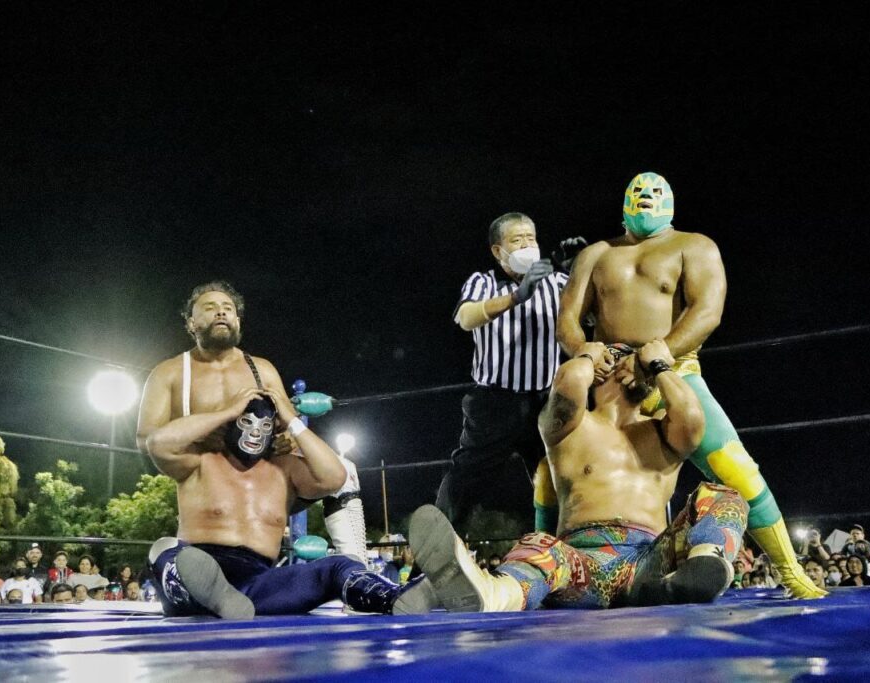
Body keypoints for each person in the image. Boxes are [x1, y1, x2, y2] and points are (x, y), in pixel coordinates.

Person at [554, 171, 825, 599]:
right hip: (609, 380)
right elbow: (567, 317)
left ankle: (791, 571)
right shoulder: (596, 254)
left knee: (734, 466)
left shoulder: (693, 246)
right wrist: (583, 349)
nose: (646, 196)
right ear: (624, 201)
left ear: (670, 200)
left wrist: (660, 354)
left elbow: (707, 311)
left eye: (655, 191)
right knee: (554, 470)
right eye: (638, 191)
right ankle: (556, 565)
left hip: (673, 372)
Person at [136, 281, 425, 618]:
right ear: (191, 322)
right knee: (167, 551)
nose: (221, 313)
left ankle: (392, 596)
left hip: (257, 576)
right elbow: (151, 441)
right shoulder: (171, 374)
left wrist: (290, 427)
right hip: (199, 495)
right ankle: (209, 592)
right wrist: (222, 417)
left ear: (239, 321)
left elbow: (313, 455)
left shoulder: (262, 370)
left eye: (228, 308)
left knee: (340, 543)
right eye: (210, 308)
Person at [401, 341, 748, 612]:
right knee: (541, 547)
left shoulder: (662, 432)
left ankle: (702, 569)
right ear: (600, 370)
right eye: (622, 354)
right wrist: (587, 354)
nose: (634, 360)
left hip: (649, 563)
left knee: (723, 496)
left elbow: (693, 417)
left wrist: (659, 364)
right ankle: (492, 593)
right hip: (582, 564)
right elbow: (567, 383)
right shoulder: (570, 429)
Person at [437, 212, 585, 534]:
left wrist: (580, 269)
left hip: (544, 401)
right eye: (516, 240)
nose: (526, 245)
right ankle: (441, 544)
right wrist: (517, 296)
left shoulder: (557, 283)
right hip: (494, 402)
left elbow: (592, 312)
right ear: (497, 250)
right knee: (465, 477)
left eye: (531, 238)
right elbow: (466, 318)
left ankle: (565, 544)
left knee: (561, 474)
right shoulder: (484, 281)